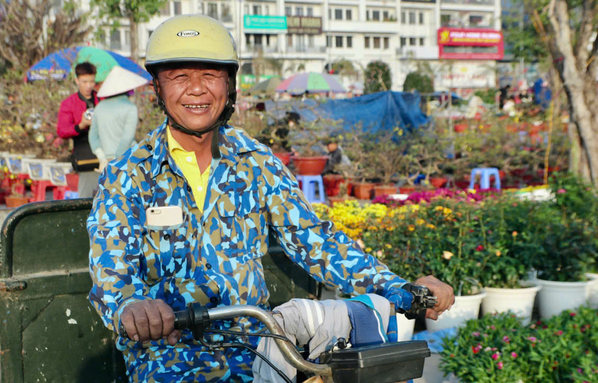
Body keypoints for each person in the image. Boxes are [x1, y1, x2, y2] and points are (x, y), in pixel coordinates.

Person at [87, 15, 455, 382]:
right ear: (158, 87)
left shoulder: (256, 161)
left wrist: (400, 287)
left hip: (257, 352)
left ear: (229, 85)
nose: (196, 90)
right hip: (168, 359)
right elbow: (111, 276)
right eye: (180, 76)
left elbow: (316, 241)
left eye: (210, 75)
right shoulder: (126, 174)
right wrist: (132, 308)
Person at [89, 66, 148, 173]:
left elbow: (93, 136)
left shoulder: (99, 107)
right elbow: (127, 138)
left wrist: (103, 159)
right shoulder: (130, 108)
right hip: (128, 160)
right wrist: (117, 160)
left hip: (106, 162)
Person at [57, 62, 100, 198]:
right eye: (84, 81)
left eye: (91, 81)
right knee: (86, 197)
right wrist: (80, 125)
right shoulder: (69, 103)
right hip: (85, 155)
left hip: (107, 152)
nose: (88, 86)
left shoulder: (102, 99)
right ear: (77, 80)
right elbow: (62, 131)